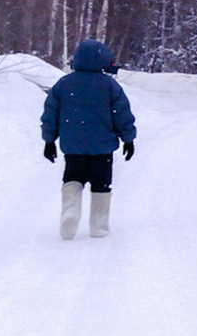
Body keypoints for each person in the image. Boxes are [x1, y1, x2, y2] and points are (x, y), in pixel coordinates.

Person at [41, 39, 137, 239]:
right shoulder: (109, 86)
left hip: (73, 145)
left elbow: (51, 114)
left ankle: (71, 211)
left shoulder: (64, 84)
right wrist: (128, 139)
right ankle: (99, 226)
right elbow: (121, 113)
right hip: (102, 148)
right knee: (101, 185)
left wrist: (49, 141)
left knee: (73, 179)